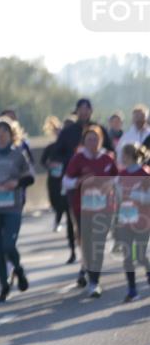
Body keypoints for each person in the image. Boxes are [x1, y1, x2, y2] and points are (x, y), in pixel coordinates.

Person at [0, 117, 35, 302]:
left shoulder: (18, 155)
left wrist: (16, 182)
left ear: (12, 135)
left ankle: (18, 270)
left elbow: (30, 178)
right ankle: (4, 285)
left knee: (8, 245)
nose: (1, 135)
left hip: (12, 207)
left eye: (5, 132)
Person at [62, 125, 119, 297]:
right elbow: (66, 181)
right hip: (83, 207)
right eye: (89, 140)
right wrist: (78, 181)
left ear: (101, 140)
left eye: (95, 139)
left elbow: (117, 179)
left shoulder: (107, 159)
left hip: (104, 207)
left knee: (99, 242)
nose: (92, 142)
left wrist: (109, 184)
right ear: (84, 142)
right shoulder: (78, 159)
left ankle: (94, 281)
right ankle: (89, 271)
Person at [114, 143, 150, 301]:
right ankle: (132, 289)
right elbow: (118, 200)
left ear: (129, 156)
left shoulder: (145, 175)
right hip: (126, 219)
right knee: (127, 255)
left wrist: (135, 195)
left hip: (143, 220)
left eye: (124, 154)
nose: (121, 157)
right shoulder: (121, 175)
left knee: (141, 256)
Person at [42, 114, 79, 259]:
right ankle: (73, 250)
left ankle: (77, 251)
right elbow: (44, 160)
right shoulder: (55, 147)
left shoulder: (81, 148)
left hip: (76, 187)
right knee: (65, 213)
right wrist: (51, 165)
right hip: (58, 184)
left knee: (73, 220)